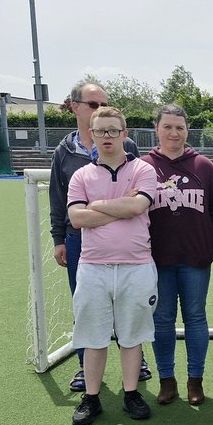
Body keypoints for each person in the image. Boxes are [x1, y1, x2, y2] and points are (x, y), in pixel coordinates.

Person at [48, 81, 147, 392]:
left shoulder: (129, 150)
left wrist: (96, 209)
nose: (100, 109)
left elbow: (136, 204)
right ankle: (84, 368)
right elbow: (60, 200)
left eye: (104, 103)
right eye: (93, 105)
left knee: (129, 308)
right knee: (88, 307)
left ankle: (135, 364)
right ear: (76, 107)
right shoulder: (64, 152)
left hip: (127, 247)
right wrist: (59, 238)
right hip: (81, 243)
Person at [66, 107, 159, 425]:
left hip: (136, 266)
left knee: (132, 336)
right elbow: (77, 218)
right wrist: (121, 207)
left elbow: (138, 205)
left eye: (112, 131)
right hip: (93, 268)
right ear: (91, 134)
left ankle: (131, 393)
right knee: (93, 336)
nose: (106, 137)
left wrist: (97, 207)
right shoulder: (81, 176)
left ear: (125, 133)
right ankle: (91, 398)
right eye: (100, 131)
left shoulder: (143, 169)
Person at [142, 104, 213, 406]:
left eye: (179, 127)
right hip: (156, 260)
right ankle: (167, 380)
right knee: (161, 320)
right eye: (168, 127)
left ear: (187, 130)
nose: (174, 133)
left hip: (195, 259)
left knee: (196, 318)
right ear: (157, 130)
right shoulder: (144, 166)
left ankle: (195, 380)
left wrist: (209, 244)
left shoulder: (203, 166)